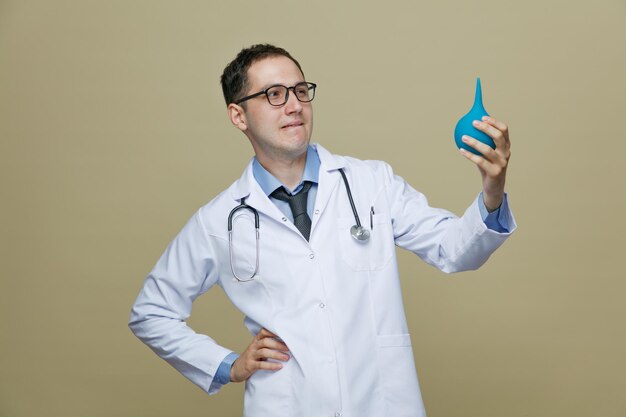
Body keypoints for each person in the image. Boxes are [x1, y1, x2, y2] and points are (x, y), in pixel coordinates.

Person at [129, 44, 516, 417]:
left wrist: (492, 189)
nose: (295, 105)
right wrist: (227, 365)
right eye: (274, 95)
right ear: (238, 115)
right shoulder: (219, 220)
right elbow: (151, 312)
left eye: (300, 91)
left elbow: (455, 251)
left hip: (380, 403)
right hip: (287, 403)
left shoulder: (371, 182)